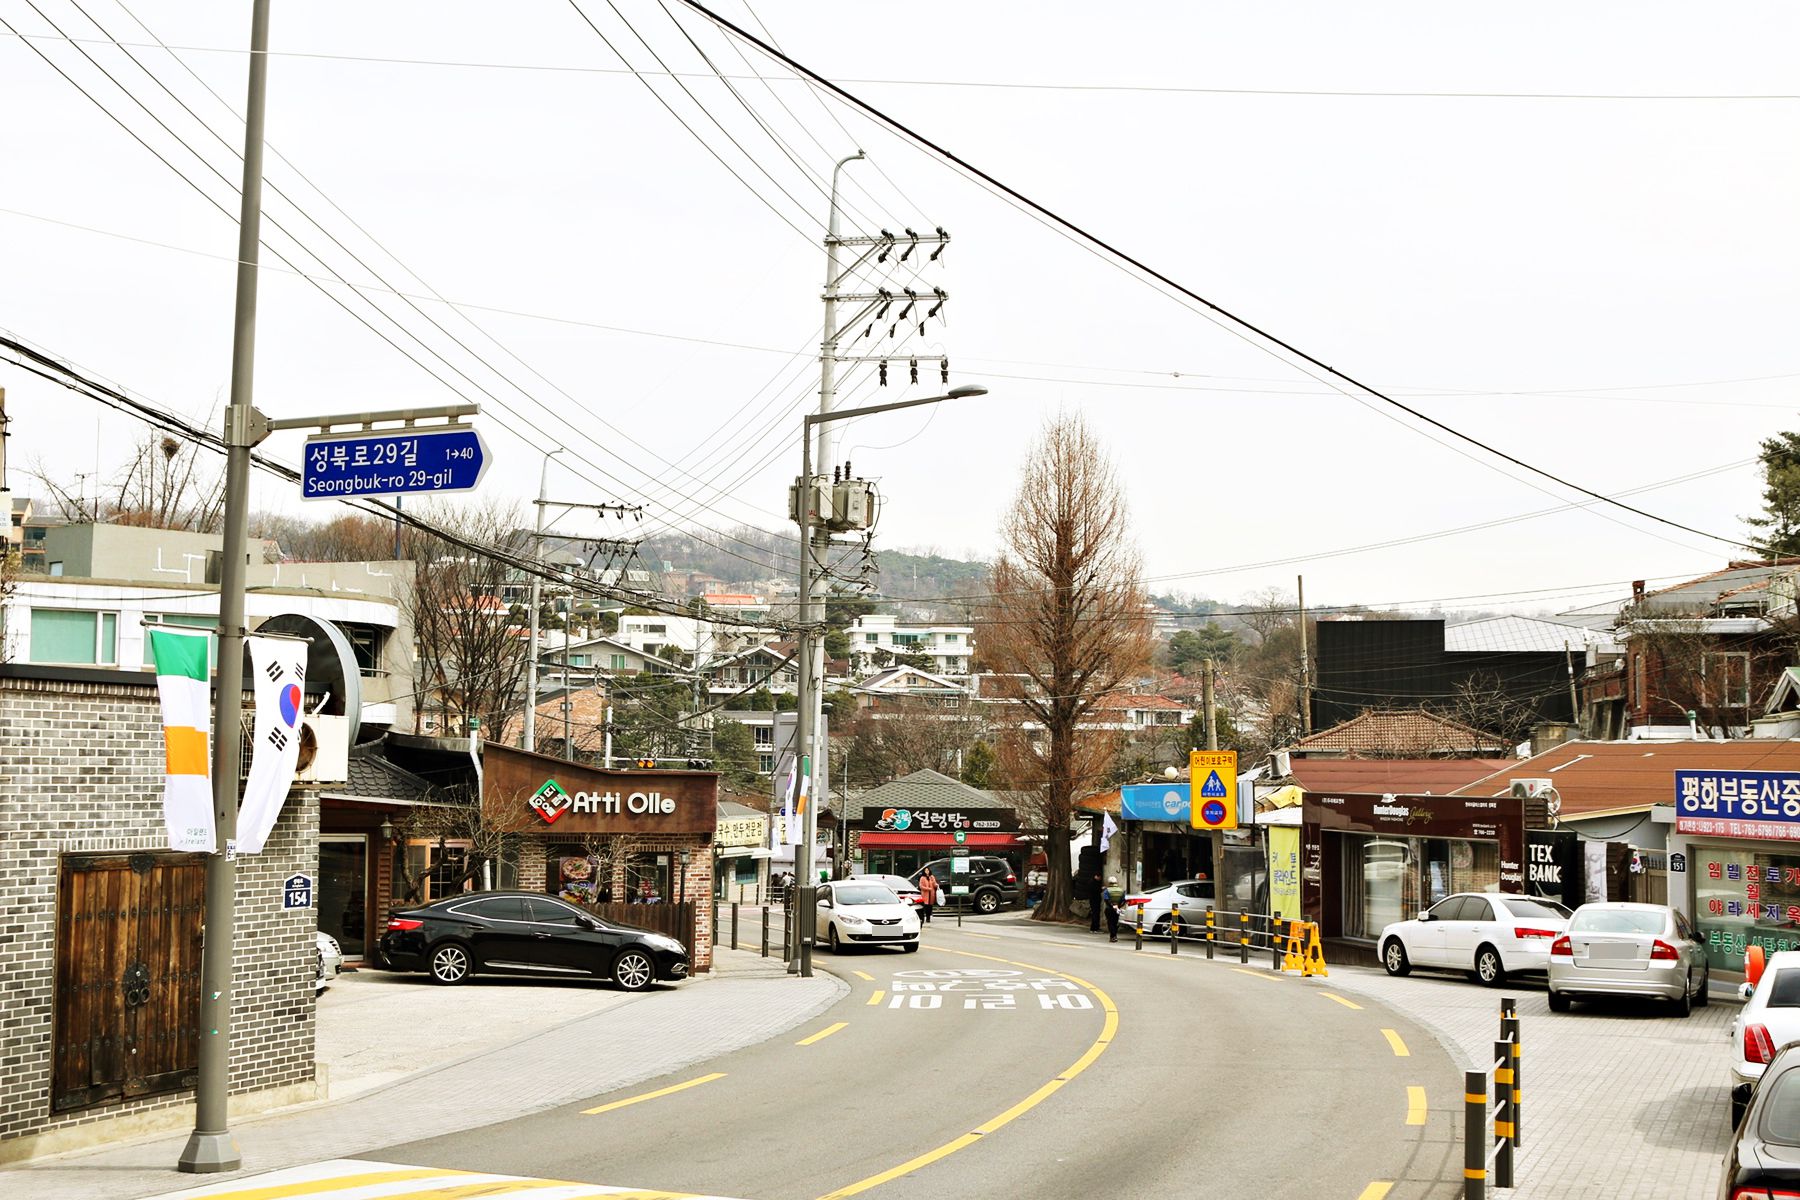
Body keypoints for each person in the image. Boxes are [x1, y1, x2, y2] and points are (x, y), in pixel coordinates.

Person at [1103, 877, 1122, 942]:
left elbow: (1106, 900)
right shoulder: (1121, 890)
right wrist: (1118, 906)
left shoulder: (1107, 890)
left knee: (1110, 922)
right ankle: (1115, 935)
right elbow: (1124, 900)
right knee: (1115, 922)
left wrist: (1112, 906)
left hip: (1109, 909)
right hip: (1117, 909)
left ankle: (1113, 936)